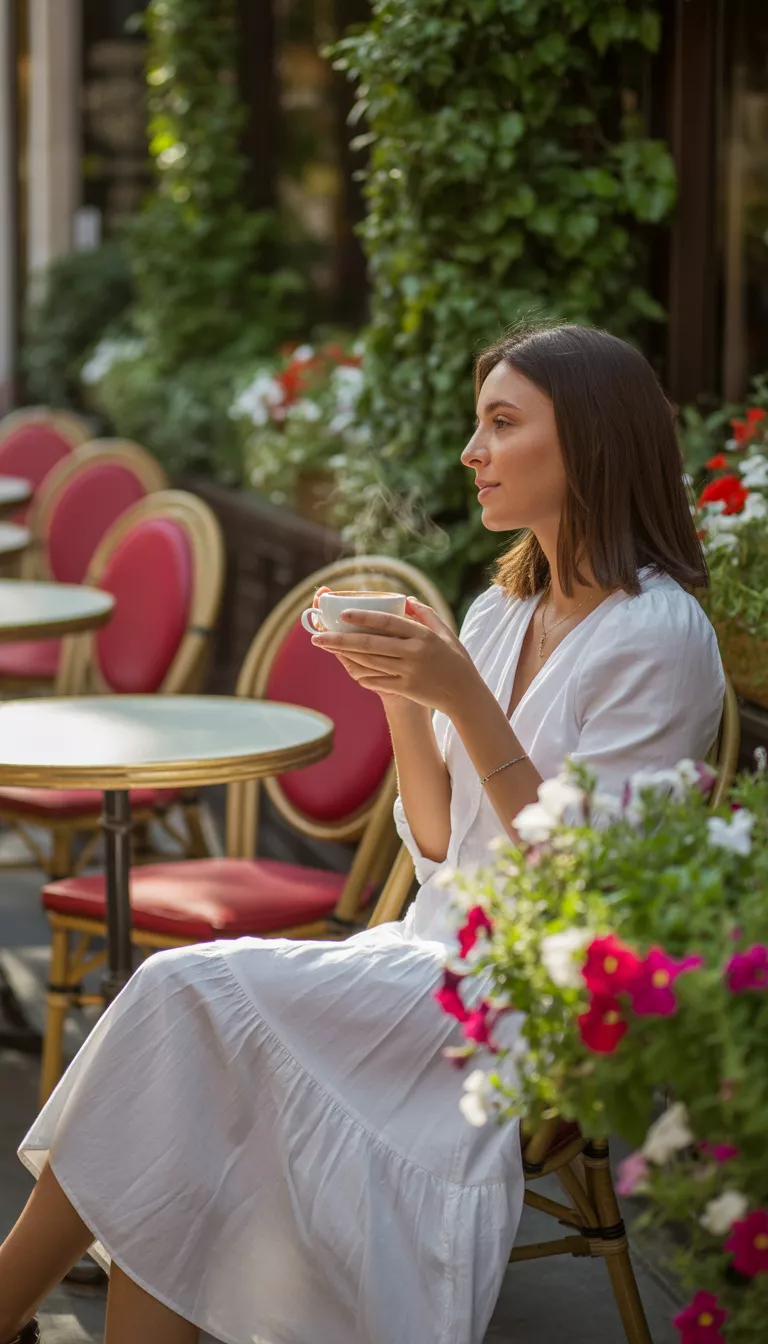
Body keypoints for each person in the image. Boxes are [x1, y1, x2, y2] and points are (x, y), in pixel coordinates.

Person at [0, 323, 724, 1344]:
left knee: (181, 992)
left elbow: (585, 885)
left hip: (521, 1002)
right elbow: (436, 843)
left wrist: (461, 699)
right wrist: (396, 692)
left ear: (591, 446)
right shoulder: (501, 611)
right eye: (478, 424)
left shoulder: (660, 639)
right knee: (186, 1077)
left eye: (502, 424)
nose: (472, 452)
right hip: (426, 949)